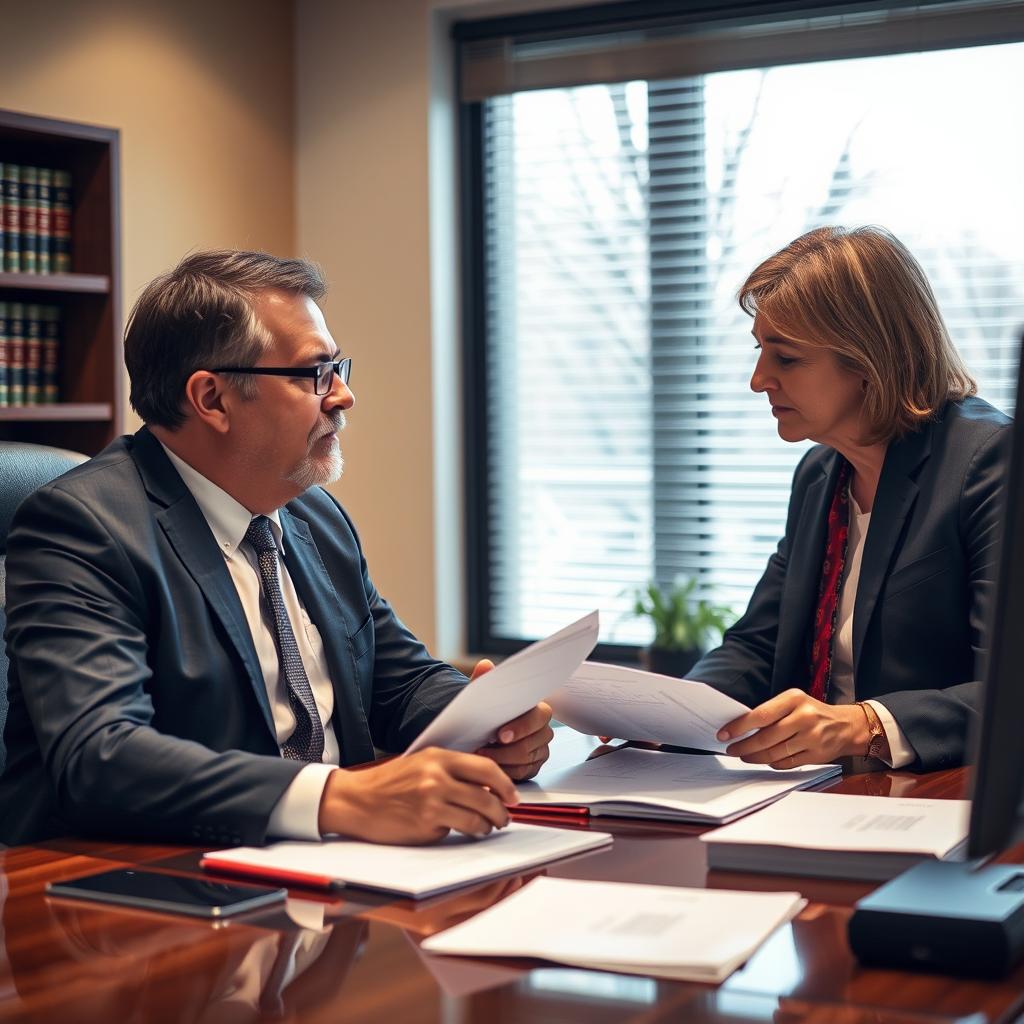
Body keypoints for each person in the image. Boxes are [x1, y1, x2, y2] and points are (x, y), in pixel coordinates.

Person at [0, 250, 553, 847]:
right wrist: (338, 798)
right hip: (141, 888)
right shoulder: (83, 527)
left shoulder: (312, 513)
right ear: (212, 399)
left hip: (331, 870)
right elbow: (101, 756)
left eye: (340, 369)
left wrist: (488, 721)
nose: (342, 397)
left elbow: (397, 683)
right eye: (315, 374)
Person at [687, 225, 1010, 772]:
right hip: (811, 793)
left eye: (785, 359)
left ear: (869, 362)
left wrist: (865, 725)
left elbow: (1008, 694)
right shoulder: (819, 474)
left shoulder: (993, 464)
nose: (758, 379)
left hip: (939, 800)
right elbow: (756, 648)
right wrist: (664, 718)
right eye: (760, 351)